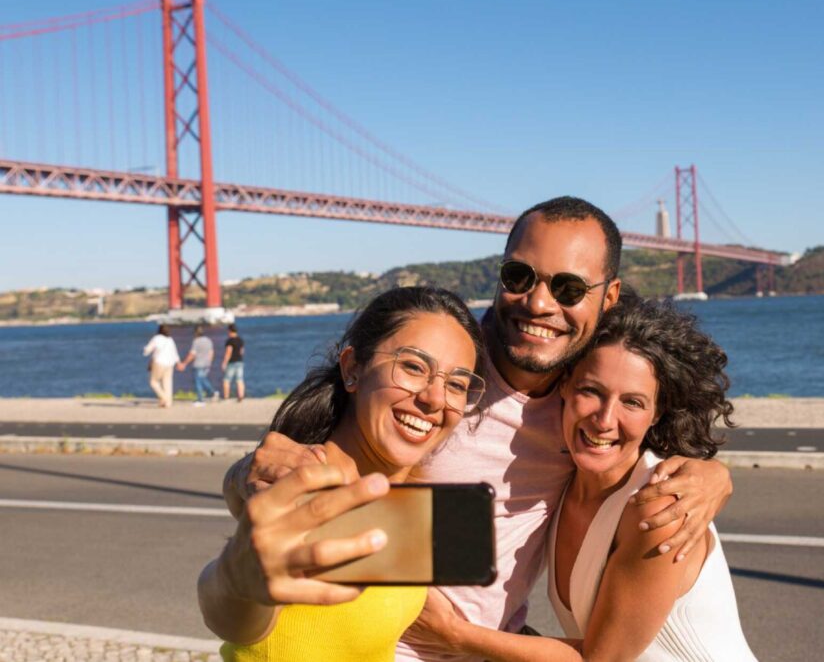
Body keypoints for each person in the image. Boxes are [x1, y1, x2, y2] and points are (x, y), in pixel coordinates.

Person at [215, 197, 734, 661]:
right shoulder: (446, 373)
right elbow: (311, 461)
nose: (538, 303)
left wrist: (713, 475)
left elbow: (643, 448)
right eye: (519, 277)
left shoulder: (584, 402)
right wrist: (244, 476)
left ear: (610, 295)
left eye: (569, 288)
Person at [412, 293, 757, 661]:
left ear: (657, 413)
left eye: (633, 402)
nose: (605, 420)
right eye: (591, 391)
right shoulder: (562, 481)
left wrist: (453, 633)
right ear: (564, 386)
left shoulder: (659, 509)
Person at [197, 286, 488, 661]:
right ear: (352, 368)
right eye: (414, 366)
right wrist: (237, 583)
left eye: (456, 384)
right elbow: (233, 614)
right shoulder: (303, 485)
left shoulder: (406, 498)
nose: (435, 398)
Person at [143, 324, 180, 408]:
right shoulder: (170, 339)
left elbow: (147, 350)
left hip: (159, 362)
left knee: (154, 382)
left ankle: (164, 398)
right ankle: (168, 403)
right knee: (167, 383)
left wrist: (145, 350)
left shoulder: (157, 338)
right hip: (170, 363)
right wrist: (178, 362)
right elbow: (175, 352)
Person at [178, 326, 217, 406]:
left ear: (196, 333)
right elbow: (211, 352)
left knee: (198, 382)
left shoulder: (196, 341)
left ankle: (200, 400)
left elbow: (192, 354)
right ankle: (213, 393)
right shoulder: (208, 340)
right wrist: (210, 362)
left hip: (198, 364)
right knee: (203, 380)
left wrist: (184, 363)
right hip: (207, 364)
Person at [222, 323, 246, 402]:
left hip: (232, 362)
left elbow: (228, 352)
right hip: (240, 361)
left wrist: (224, 363)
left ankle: (226, 397)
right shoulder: (240, 340)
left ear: (229, 331)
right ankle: (241, 396)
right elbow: (242, 351)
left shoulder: (229, 341)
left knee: (226, 380)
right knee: (239, 380)